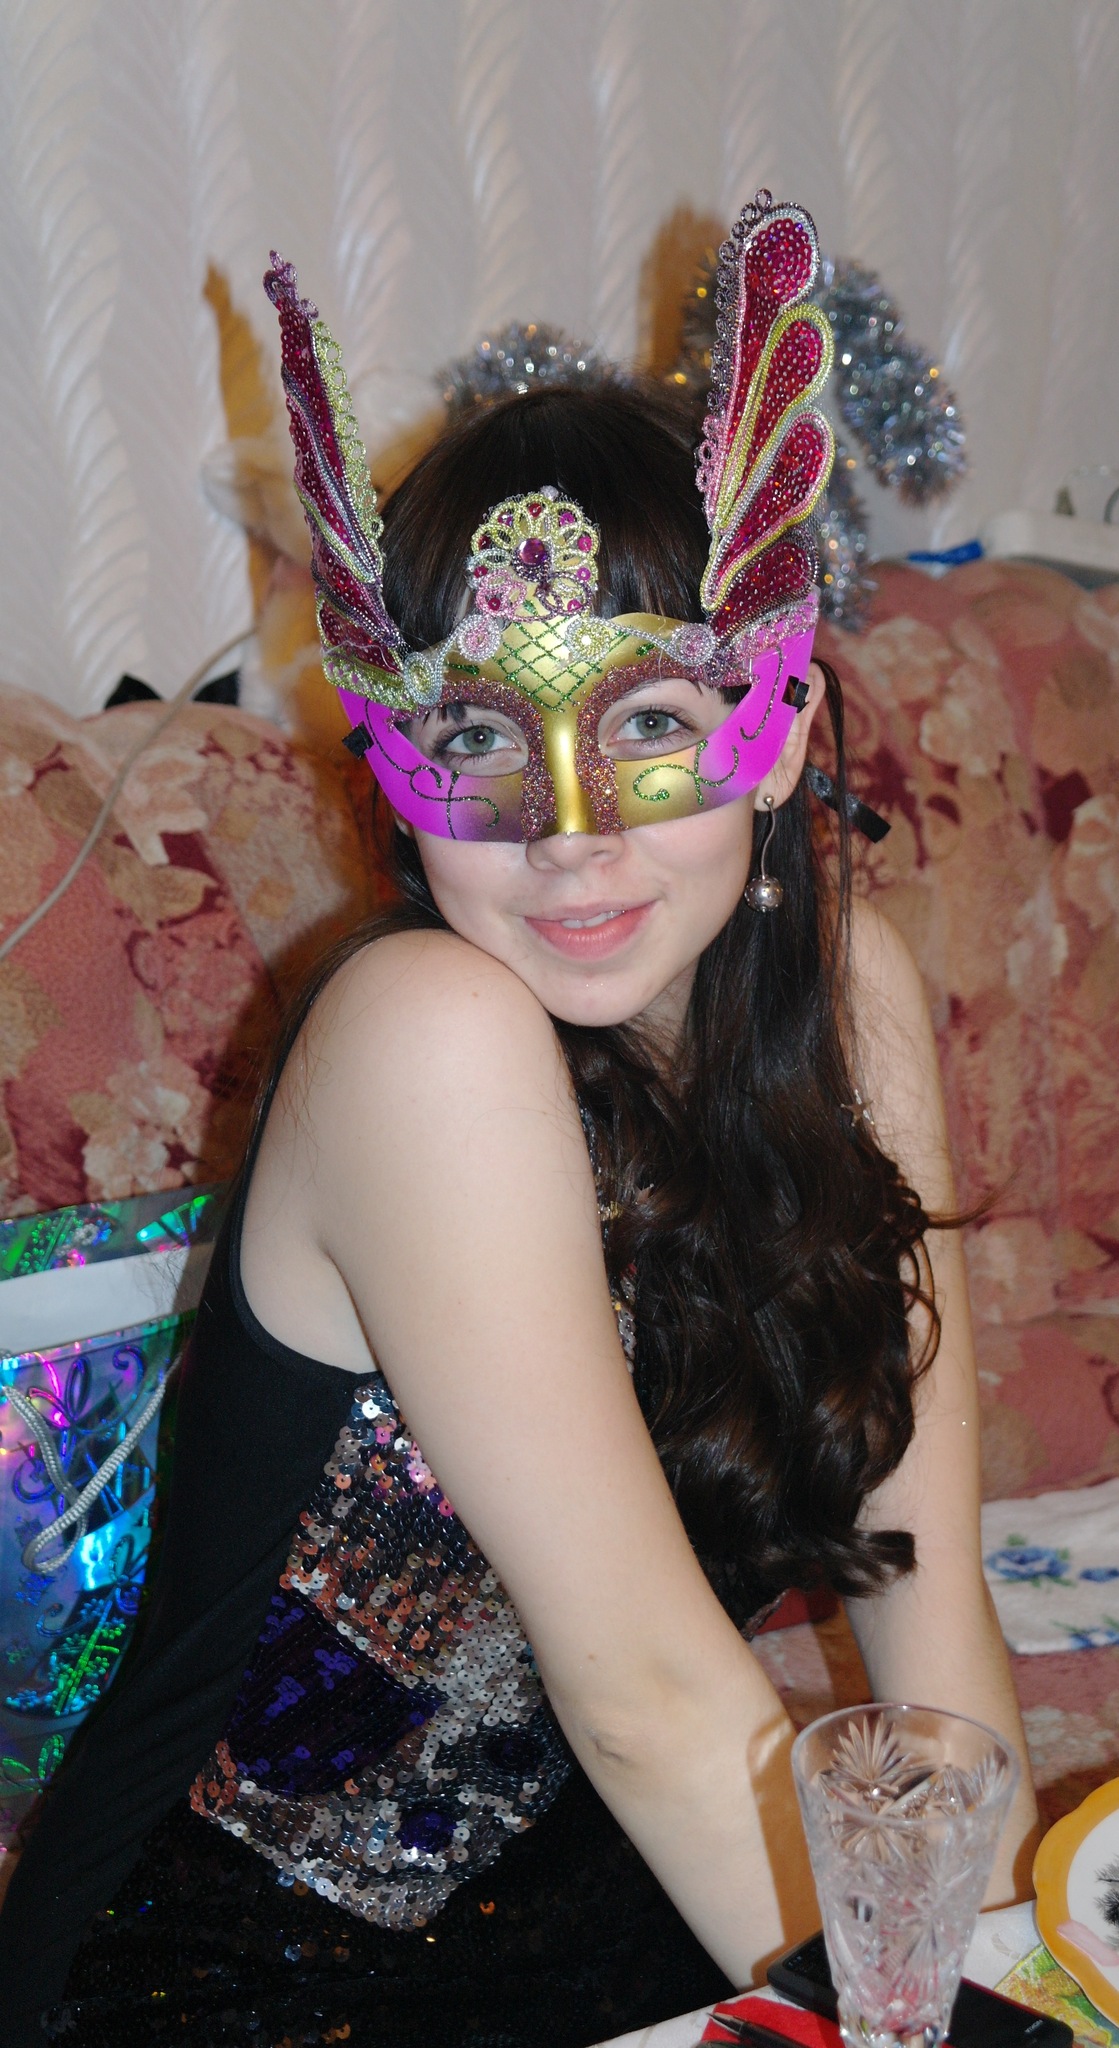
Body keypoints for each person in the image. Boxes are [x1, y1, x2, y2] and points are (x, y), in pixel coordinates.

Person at [0, 195, 1038, 2048]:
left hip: (637, 1911)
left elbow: (924, 1595)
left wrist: (1002, 1978)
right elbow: (643, 1691)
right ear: (398, 778)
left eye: (648, 724)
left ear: (779, 730)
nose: (569, 837)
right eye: (477, 739)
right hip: (243, 1978)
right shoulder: (429, 1038)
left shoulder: (849, 992)